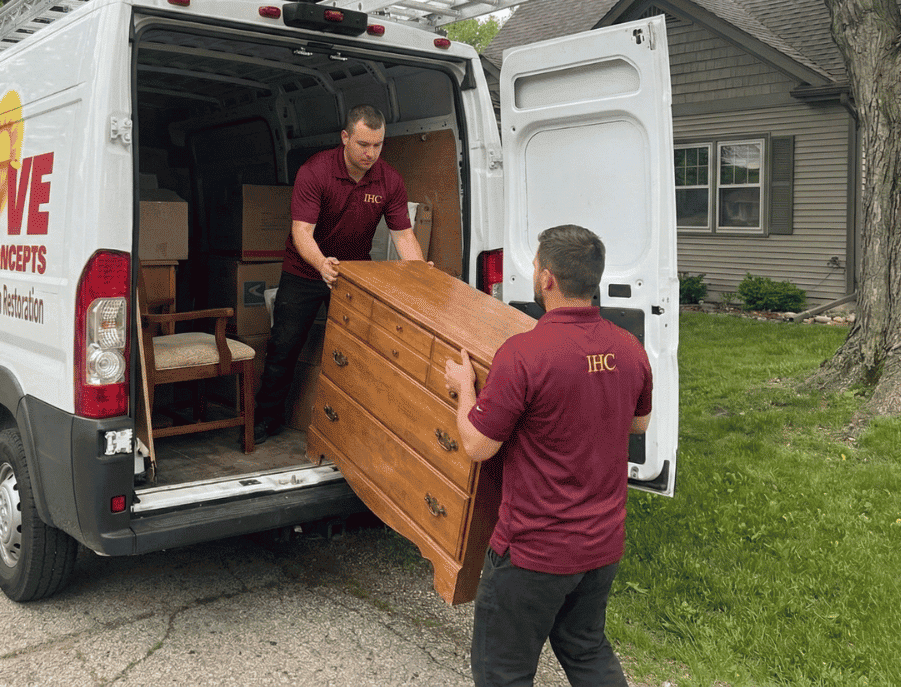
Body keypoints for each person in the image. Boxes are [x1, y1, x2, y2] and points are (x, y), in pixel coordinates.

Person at [444, 224, 652, 687]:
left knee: (504, 672)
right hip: (601, 547)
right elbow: (638, 425)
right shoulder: (630, 348)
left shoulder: (524, 354)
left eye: (537, 264)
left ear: (547, 279)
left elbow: (478, 446)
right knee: (587, 649)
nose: (536, 271)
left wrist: (463, 392)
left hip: (533, 554)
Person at [254, 104, 426, 443]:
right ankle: (266, 421)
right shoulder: (315, 172)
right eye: (363, 144)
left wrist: (420, 275)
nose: (370, 153)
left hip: (352, 275)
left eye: (377, 145)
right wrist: (322, 265)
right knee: (283, 349)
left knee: (358, 353)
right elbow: (302, 231)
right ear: (345, 137)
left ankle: (350, 430)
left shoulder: (389, 180)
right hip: (304, 271)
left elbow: (404, 235)